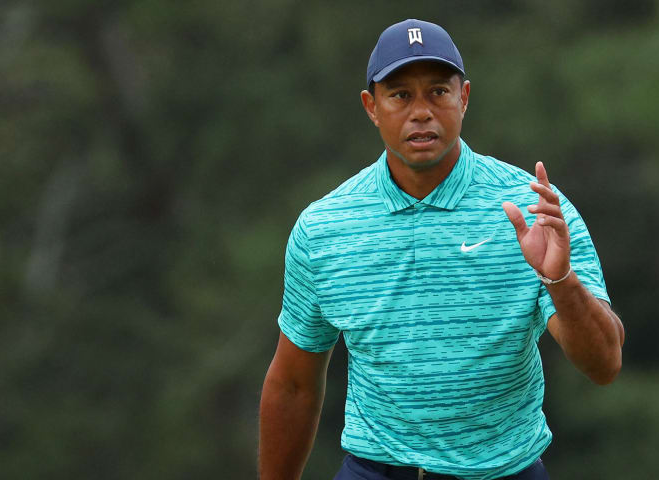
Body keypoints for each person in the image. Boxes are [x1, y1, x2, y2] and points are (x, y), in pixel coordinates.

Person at [259, 18, 624, 480]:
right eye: (400, 95)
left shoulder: (536, 209)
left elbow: (605, 364)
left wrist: (560, 280)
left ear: (464, 97)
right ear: (372, 107)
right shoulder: (324, 227)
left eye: (438, 92)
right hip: (376, 470)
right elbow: (293, 384)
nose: (421, 111)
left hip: (502, 472)